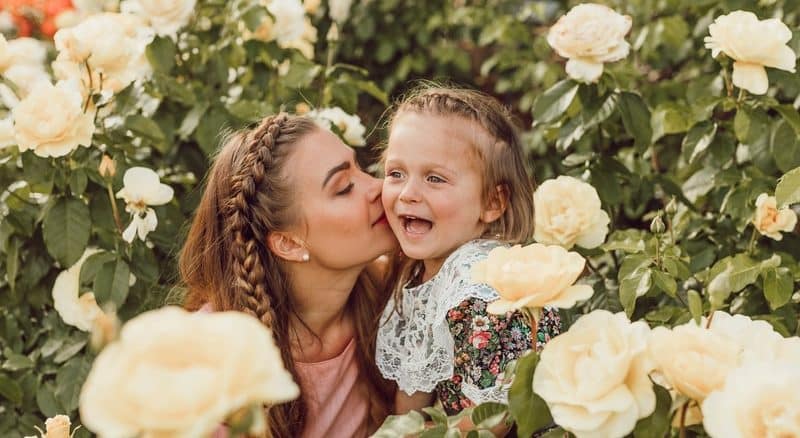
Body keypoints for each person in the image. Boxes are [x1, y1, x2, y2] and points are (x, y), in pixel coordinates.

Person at [179, 114, 396, 437]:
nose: (378, 188)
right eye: (344, 188)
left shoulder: (395, 293)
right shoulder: (208, 362)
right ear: (289, 243)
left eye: (360, 168)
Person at [375, 85, 562, 420]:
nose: (408, 193)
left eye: (434, 178)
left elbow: (491, 421)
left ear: (492, 202)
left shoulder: (481, 287)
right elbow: (411, 397)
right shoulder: (426, 270)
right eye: (396, 173)